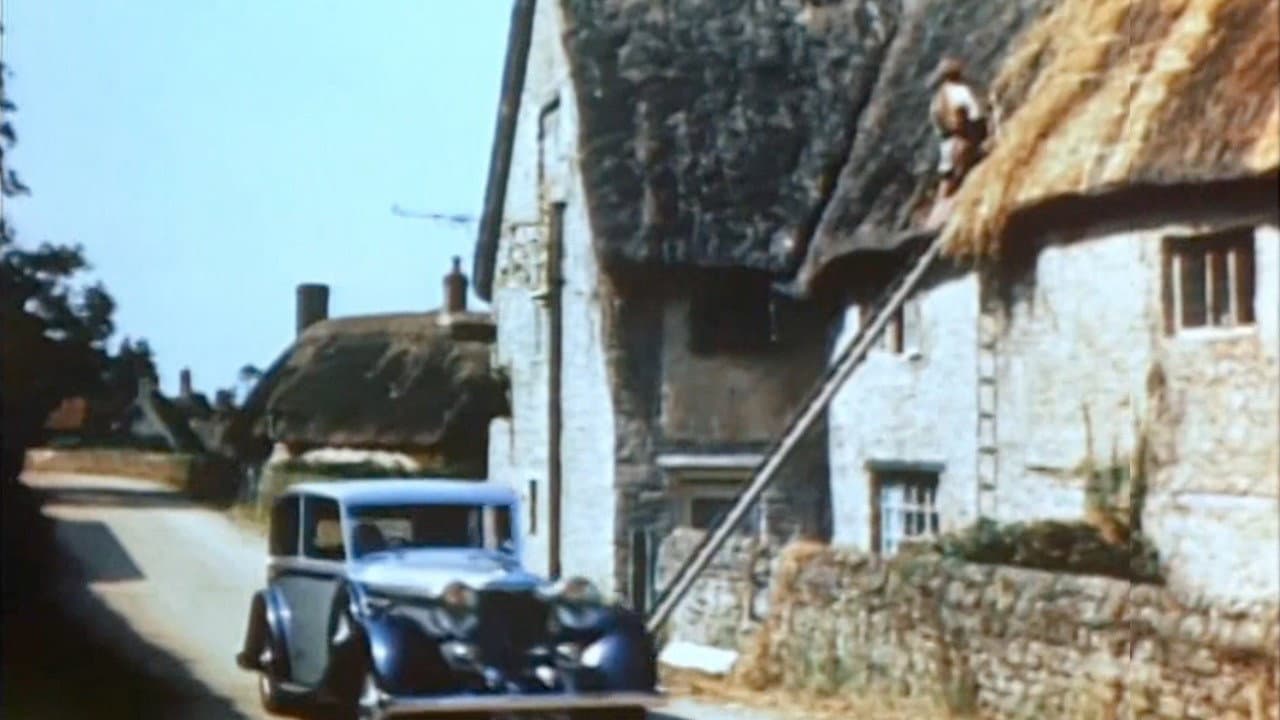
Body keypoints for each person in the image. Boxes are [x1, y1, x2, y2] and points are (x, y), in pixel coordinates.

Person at [929, 57, 989, 198]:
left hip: (948, 143)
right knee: (960, 178)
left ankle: (941, 212)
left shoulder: (938, 98)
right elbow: (977, 115)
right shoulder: (961, 91)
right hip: (964, 140)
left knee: (947, 180)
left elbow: (938, 123)